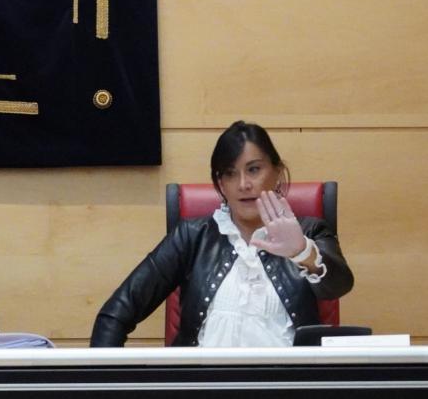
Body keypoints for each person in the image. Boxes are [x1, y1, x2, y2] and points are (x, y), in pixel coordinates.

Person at [90, 121, 354, 347]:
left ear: (277, 172)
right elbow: (115, 315)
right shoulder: (192, 237)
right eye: (230, 174)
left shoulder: (309, 230)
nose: (243, 184)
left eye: (254, 169)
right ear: (220, 184)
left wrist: (301, 252)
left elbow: (340, 285)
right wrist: (104, 390)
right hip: (203, 390)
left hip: (285, 391)